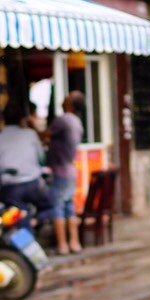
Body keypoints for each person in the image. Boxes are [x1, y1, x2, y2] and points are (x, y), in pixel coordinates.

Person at [0, 101, 54, 218]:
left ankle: (25, 228)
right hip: (34, 185)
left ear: (3, 118)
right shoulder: (31, 134)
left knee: (15, 218)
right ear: (23, 119)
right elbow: (42, 159)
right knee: (51, 206)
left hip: (10, 189)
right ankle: (35, 223)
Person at [45, 92, 84, 255]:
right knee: (69, 206)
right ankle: (74, 242)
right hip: (70, 169)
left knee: (58, 207)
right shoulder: (77, 122)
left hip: (60, 170)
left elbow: (45, 135)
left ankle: (62, 244)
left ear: (70, 104)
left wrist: (32, 126)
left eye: (67, 98)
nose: (63, 100)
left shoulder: (63, 120)